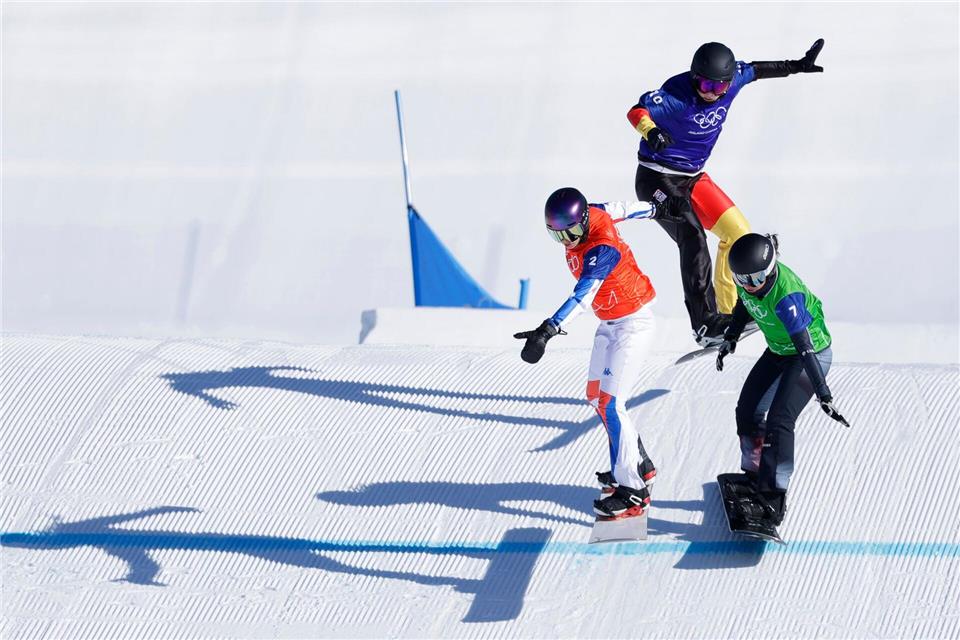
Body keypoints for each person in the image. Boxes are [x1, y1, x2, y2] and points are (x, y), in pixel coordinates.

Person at [627, 39, 825, 346]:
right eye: (705, 85)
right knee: (692, 235)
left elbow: (755, 70)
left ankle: (728, 314)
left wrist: (795, 66)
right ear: (694, 78)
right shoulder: (676, 96)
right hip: (656, 179)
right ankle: (704, 324)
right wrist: (650, 131)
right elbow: (636, 111)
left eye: (719, 87)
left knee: (738, 232)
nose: (711, 93)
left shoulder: (732, 82)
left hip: (693, 178)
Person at [514, 187, 659, 519]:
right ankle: (637, 464)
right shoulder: (592, 213)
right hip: (610, 322)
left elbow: (583, 295)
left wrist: (548, 329)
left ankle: (633, 491)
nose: (567, 241)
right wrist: (654, 209)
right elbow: (621, 208)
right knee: (595, 397)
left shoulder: (601, 248)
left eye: (571, 233)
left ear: (584, 222)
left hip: (632, 324)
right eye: (558, 236)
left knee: (611, 404)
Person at [715, 233, 849, 526]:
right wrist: (730, 338)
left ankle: (773, 498)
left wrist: (824, 394)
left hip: (809, 355)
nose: (750, 285)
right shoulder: (749, 284)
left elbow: (805, 348)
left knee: (780, 420)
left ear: (771, 268)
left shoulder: (786, 299)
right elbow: (744, 304)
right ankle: (755, 476)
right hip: (779, 350)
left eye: (756, 278)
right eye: (742, 279)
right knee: (747, 410)